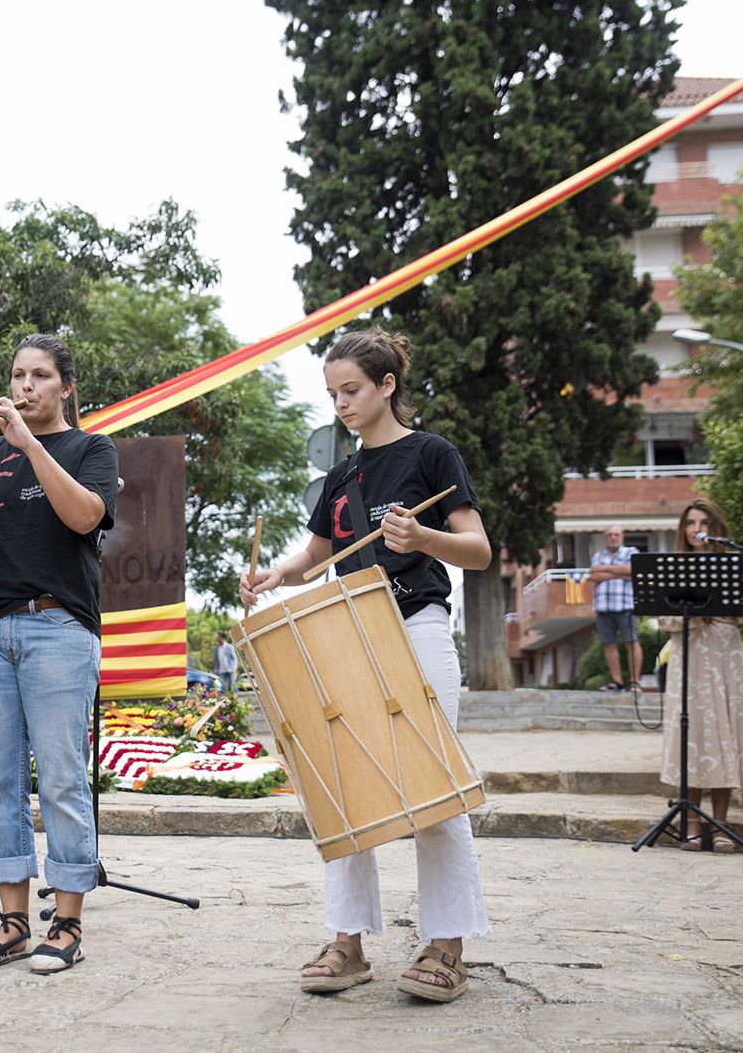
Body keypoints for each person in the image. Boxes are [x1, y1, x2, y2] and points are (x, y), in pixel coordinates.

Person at [240, 328, 491, 1004]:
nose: (341, 404)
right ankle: (347, 942)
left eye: (351, 390)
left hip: (417, 624)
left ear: (386, 386)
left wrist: (424, 536)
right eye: (332, 394)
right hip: (348, 634)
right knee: (345, 786)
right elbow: (317, 553)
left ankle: (447, 948)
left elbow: (478, 549)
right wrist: (275, 576)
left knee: (435, 788)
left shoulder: (433, 454)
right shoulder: (343, 475)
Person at [0, 332, 118, 974]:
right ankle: (10, 922)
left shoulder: (91, 448)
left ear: (66, 386)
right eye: (17, 375)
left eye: (39, 376)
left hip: (58, 628)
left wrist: (29, 444)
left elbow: (85, 517)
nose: (24, 387)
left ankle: (66, 925)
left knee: (63, 779)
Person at [658, 497, 743, 853]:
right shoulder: (675, 567)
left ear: (716, 527)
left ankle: (720, 824)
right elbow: (665, 620)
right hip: (689, 655)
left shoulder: (732, 565)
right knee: (694, 735)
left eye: (703, 522)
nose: (696, 530)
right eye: (690, 523)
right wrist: (693, 611)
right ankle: (690, 822)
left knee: (725, 734)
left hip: (725, 655)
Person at [588, 524, 643, 693]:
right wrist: (621, 573)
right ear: (605, 538)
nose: (613, 537)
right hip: (603, 607)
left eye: (616, 534)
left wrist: (606, 569)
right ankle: (617, 681)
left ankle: (634, 682)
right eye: (610, 534)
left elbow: (633, 570)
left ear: (622, 536)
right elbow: (594, 575)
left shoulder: (631, 552)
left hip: (626, 605)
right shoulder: (598, 555)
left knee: (631, 642)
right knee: (608, 644)